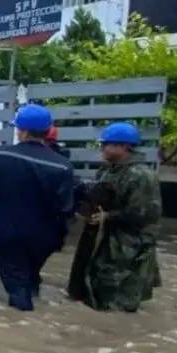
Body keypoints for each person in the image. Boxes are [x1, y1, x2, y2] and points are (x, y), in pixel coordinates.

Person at [0, 105, 75, 312]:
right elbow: (65, 207)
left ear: (22, 131)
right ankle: (33, 298)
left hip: (7, 231)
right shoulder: (63, 165)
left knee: (16, 284)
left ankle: (22, 323)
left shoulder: (0, 155)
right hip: (44, 236)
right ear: (48, 132)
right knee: (31, 274)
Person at [67, 122, 162, 313]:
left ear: (124, 147)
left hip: (129, 246)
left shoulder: (142, 175)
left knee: (119, 298)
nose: (102, 148)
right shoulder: (107, 170)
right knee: (92, 288)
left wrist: (108, 217)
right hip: (102, 239)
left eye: (106, 144)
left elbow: (144, 213)